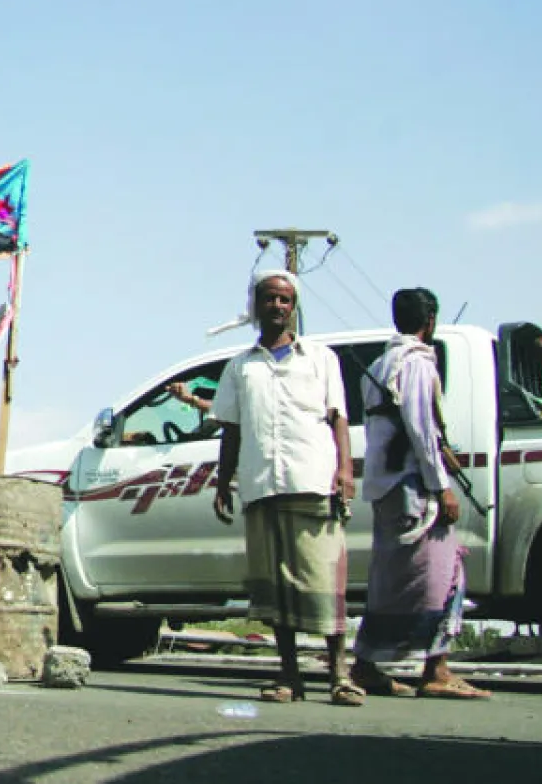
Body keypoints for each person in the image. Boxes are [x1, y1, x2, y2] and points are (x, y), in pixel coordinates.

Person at [210, 270, 362, 706]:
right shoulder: (240, 367)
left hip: (311, 481)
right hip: (261, 486)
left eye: (285, 300)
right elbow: (232, 431)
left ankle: (339, 675)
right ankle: (289, 676)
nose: (277, 307)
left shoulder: (320, 358)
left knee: (323, 582)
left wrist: (345, 470)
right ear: (255, 306)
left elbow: (338, 419)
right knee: (273, 588)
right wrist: (223, 482)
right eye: (269, 299)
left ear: (294, 308)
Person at [351, 288, 492, 700]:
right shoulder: (415, 363)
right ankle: (436, 670)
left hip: (388, 487)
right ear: (429, 321)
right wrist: (441, 485)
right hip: (412, 488)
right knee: (443, 575)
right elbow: (419, 429)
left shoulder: (379, 365)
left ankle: (366, 665)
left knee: (392, 581)